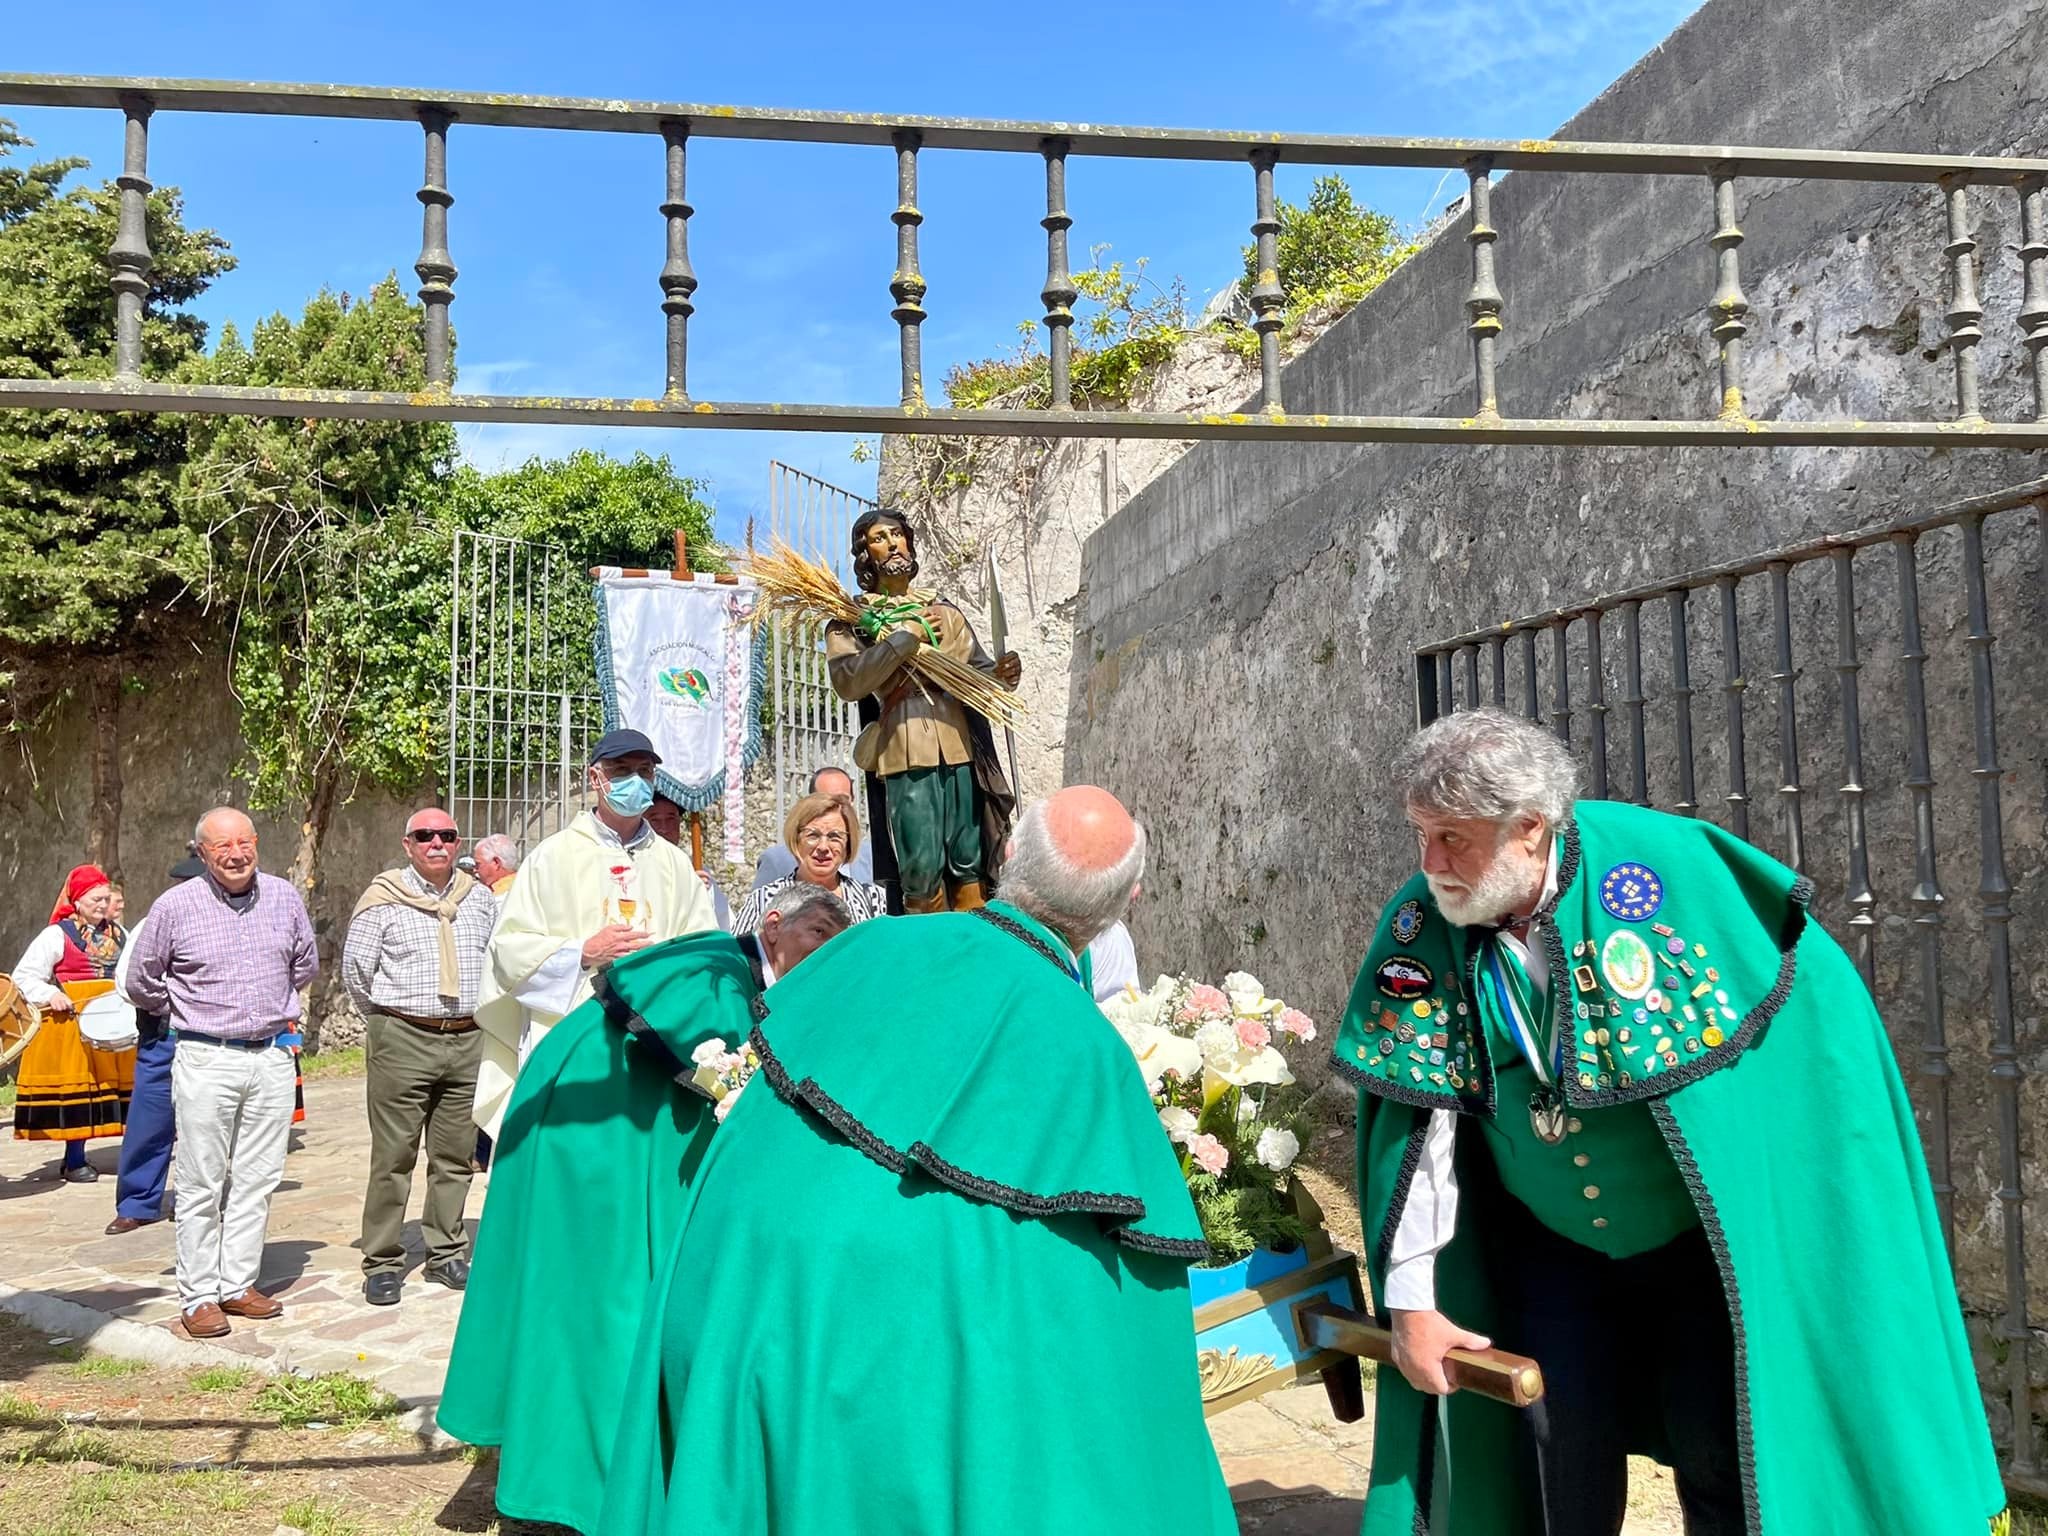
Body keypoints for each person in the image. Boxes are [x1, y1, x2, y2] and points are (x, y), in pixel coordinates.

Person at [1334, 709, 2002, 1536]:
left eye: (1453, 839)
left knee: (1724, 1459)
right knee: (1553, 1470)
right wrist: (1412, 1306)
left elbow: (1814, 1051)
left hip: (1697, 1249)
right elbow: (1420, 1131)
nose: (1430, 864)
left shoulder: (1676, 876)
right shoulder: (1424, 923)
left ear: (1531, 829)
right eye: (1420, 834)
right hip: (1549, 1251)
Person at [596, 786, 1234, 1536]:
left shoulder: (866, 947)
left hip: (729, 1307)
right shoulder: (1092, 1055)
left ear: (1004, 858)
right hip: (882, 1398)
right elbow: (1123, 1332)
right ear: (1126, 901)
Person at [438, 881, 852, 1535]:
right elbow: (726, 1070)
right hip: (585, 1141)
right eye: (819, 934)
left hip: (624, 1142)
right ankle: (578, 1485)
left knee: (603, 1304)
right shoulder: (714, 967)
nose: (828, 952)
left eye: (838, 943)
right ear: (773, 924)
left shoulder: (759, 981)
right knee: (592, 1307)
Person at [126, 808, 318, 1341]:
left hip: (273, 1055)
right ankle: (199, 1296)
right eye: (221, 846)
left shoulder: (283, 896)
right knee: (201, 1178)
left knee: (258, 1177)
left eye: (243, 842)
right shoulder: (175, 905)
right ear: (202, 853)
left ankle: (237, 1283)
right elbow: (142, 979)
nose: (235, 854)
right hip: (207, 1056)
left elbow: (305, 963)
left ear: (256, 842)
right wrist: (191, 1010)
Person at [473, 728, 719, 1140]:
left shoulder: (674, 864)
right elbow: (508, 951)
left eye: (645, 771)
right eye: (621, 771)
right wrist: (582, 952)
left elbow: (702, 949)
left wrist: (663, 963)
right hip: (574, 1031)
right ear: (595, 779)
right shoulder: (551, 858)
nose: (635, 781)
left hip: (654, 1036)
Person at [342, 807, 500, 1305]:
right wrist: (394, 1022)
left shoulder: (478, 899)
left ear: (457, 844)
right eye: (425, 836)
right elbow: (356, 974)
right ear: (408, 844)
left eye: (447, 835)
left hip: (467, 1037)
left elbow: (497, 960)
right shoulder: (382, 899)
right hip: (403, 1037)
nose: (437, 843)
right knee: (394, 1156)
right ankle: (383, 1260)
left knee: (454, 1155)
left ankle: (446, 1251)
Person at [826, 508, 1019, 913]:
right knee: (920, 862)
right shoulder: (853, 620)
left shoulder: (945, 611)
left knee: (969, 857)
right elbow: (848, 681)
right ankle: (927, 949)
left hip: (958, 745)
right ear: (865, 555)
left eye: (898, 534)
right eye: (880, 537)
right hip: (904, 747)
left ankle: (971, 940)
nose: (893, 543)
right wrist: (903, 639)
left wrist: (1003, 675)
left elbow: (979, 676)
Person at [10, 863, 134, 1183]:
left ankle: (134, 1152)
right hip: (72, 1021)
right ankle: (74, 1159)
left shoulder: (120, 934)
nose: (103, 905)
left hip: (112, 1019)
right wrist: (51, 994)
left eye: (106, 899)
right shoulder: (56, 934)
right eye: (96, 899)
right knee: (82, 1090)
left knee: (115, 1089)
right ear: (77, 900)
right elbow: (24, 976)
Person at [105, 850, 206, 1233]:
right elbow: (127, 981)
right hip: (162, 1035)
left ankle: (194, 1200)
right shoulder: (153, 923)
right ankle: (137, 1202)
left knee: (206, 1124)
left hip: (212, 1037)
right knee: (150, 1120)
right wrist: (172, 1004)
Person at [730, 791, 888, 935]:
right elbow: (736, 959)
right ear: (796, 839)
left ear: (848, 844)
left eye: (834, 836)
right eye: (813, 835)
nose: (823, 847)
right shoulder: (764, 899)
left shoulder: (873, 899)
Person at [752, 766, 876, 887]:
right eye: (825, 799)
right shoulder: (776, 861)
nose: (833, 806)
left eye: (842, 799)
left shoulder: (872, 858)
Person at [646, 791, 734, 931]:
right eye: (655, 820)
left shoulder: (694, 869)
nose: (664, 828)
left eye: (671, 819)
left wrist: (700, 892)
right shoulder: (636, 867)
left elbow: (725, 923)